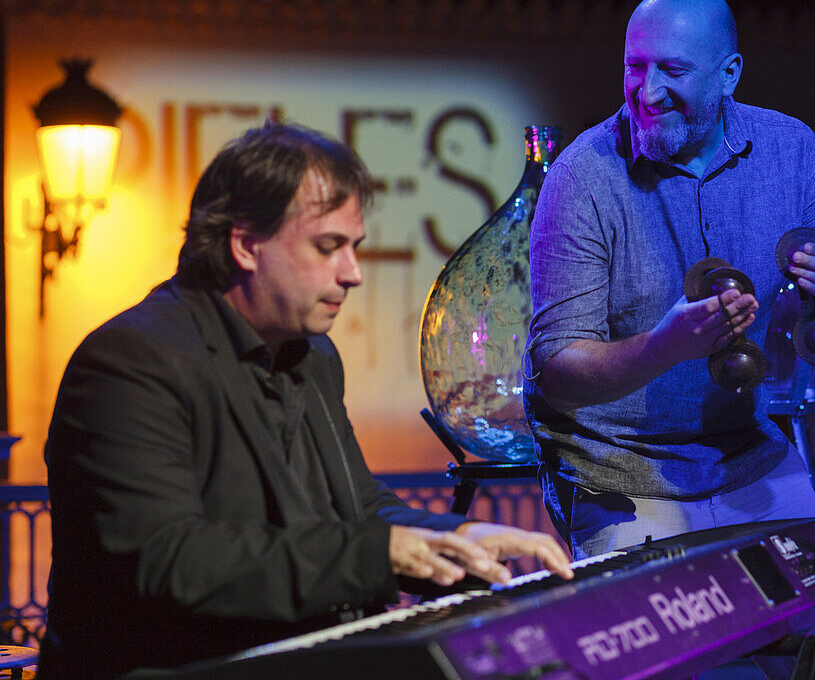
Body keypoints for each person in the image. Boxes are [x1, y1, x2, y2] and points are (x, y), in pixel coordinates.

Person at [42, 122, 572, 678]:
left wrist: (459, 537)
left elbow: (357, 507)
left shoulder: (313, 354)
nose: (353, 273)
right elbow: (170, 559)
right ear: (246, 244)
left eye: (354, 247)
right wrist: (377, 556)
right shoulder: (130, 362)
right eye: (328, 247)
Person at [523, 0, 815, 678]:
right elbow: (556, 369)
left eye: (673, 70)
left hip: (749, 455)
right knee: (641, 658)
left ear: (730, 74)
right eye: (636, 66)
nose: (648, 91)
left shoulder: (794, 152)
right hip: (621, 466)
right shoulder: (583, 176)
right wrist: (666, 346)